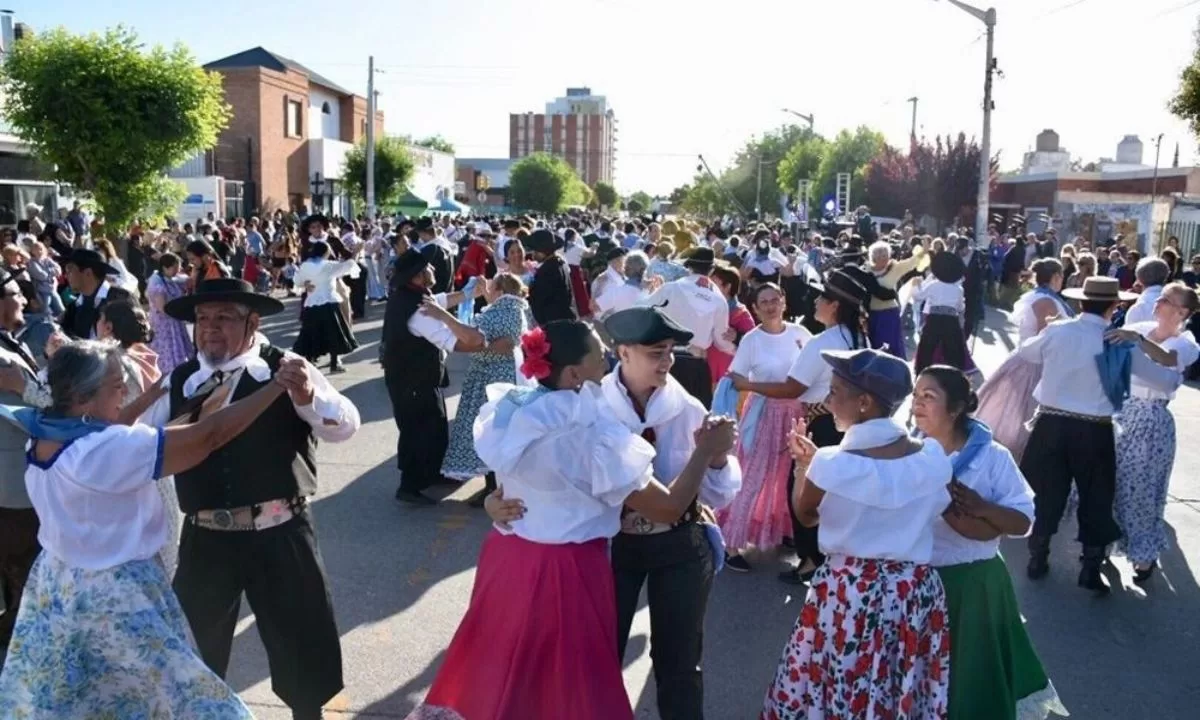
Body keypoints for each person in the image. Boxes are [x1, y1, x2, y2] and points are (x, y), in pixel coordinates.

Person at [408, 320, 736, 720]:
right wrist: (707, 452)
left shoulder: (514, 407)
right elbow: (666, 507)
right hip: (566, 567)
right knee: (568, 683)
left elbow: (515, 481)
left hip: (510, 557)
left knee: (510, 672)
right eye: (601, 354)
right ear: (575, 372)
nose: (609, 358)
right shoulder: (588, 431)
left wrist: (499, 504)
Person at [0, 339, 295, 717]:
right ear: (81, 395)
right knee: (180, 696)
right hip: (116, 591)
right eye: (116, 384)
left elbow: (103, 428)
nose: (124, 389)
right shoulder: (104, 451)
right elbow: (209, 436)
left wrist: (153, 393)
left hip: (60, 585)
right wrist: (275, 387)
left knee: (79, 694)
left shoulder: (43, 434)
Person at [136, 278, 361, 720]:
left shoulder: (287, 368)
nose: (210, 328)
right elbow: (140, 445)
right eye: (203, 319)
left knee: (301, 644)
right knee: (192, 646)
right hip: (207, 538)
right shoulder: (180, 380)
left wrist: (309, 398)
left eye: (224, 317)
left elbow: (346, 425)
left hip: (281, 532)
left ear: (252, 322)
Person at [761, 348, 951, 719]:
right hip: (912, 593)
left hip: (849, 594)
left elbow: (806, 515)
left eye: (834, 392)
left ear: (864, 402)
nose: (827, 401)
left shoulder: (832, 463)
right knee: (898, 681)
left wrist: (805, 467)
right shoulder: (931, 458)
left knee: (838, 680)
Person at [601, 305, 742, 720]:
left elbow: (718, 494)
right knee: (598, 654)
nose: (666, 361)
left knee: (679, 664)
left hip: (679, 542)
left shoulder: (688, 409)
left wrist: (717, 458)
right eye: (654, 352)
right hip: (611, 546)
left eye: (669, 352)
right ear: (623, 352)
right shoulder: (593, 410)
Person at [913, 366, 1067, 720]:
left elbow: (1023, 520)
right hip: (920, 585)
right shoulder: (912, 453)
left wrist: (982, 507)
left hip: (975, 587)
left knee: (972, 678)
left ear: (954, 409)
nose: (917, 404)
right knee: (923, 678)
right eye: (915, 395)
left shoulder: (991, 456)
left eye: (929, 396)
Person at [1018, 276, 1183, 595]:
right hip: (1094, 429)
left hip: (1050, 424)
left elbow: (1028, 353)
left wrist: (1053, 331)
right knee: (1096, 496)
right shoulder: (1117, 341)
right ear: (1115, 306)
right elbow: (1165, 381)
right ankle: (1090, 569)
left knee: (1045, 491)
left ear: (1081, 303)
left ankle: (1038, 557)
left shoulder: (1058, 331)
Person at [734, 269, 869, 585]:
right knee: (834, 492)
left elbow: (792, 389)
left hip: (820, 422)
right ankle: (827, 553)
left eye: (821, 298)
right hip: (848, 422)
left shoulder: (820, 341)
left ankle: (811, 560)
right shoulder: (858, 336)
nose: (815, 302)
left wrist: (750, 385)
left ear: (833, 305)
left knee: (805, 492)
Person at [1110, 282, 1200, 583]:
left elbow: (1166, 359)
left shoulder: (1186, 343)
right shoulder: (1144, 326)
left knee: (1143, 490)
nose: (1158, 302)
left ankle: (1144, 555)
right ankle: (1106, 543)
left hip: (1152, 419)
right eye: (1160, 298)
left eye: (1166, 300)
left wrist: (1135, 340)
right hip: (1125, 411)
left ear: (1182, 311)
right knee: (1112, 483)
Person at [382, 250, 487, 506]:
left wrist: (467, 293)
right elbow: (452, 342)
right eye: (426, 268)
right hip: (412, 380)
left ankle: (432, 475)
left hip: (414, 377)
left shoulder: (412, 295)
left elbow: (440, 301)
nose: (432, 270)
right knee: (418, 431)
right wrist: (486, 345)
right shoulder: (418, 310)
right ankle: (409, 486)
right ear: (417, 277)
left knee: (434, 427)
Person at [722, 284, 811, 570]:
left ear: (784, 302)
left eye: (775, 299)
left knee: (787, 476)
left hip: (797, 414)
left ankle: (781, 529)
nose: (771, 306)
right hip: (764, 414)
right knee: (754, 474)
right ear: (756, 308)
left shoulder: (801, 334)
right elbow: (736, 376)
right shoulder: (752, 340)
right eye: (764, 302)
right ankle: (731, 543)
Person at [440, 273, 531, 504]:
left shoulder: (499, 311)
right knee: (502, 426)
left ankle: (493, 488)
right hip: (507, 372)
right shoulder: (517, 309)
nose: (487, 291)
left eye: (491, 287)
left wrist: (443, 317)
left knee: (488, 428)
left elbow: (471, 337)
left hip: (489, 376)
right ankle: (496, 485)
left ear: (500, 291)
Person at [974, 259, 1072, 462]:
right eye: (1061, 276)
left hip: (1028, 359)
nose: (1062, 280)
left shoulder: (1038, 296)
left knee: (1017, 412)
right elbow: (1045, 336)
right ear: (1055, 277)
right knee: (1024, 414)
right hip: (1035, 364)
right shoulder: (1046, 301)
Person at [0, 271, 44, 669]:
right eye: (15, 293)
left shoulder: (12, 344)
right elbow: (37, 416)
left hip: (15, 488)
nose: (24, 299)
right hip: (13, 492)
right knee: (26, 581)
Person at [636, 246, 735, 408]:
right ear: (711, 270)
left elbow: (640, 308)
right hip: (696, 364)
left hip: (667, 359)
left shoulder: (671, 288)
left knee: (662, 413)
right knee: (695, 419)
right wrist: (735, 347)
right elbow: (721, 341)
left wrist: (648, 290)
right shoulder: (719, 299)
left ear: (688, 267)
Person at [293, 240, 360, 374]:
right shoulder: (328, 265)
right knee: (334, 334)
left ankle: (310, 362)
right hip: (329, 303)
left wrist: (305, 284)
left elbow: (297, 281)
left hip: (312, 304)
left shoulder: (305, 265)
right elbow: (349, 265)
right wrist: (357, 252)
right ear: (325, 252)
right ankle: (334, 364)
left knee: (311, 333)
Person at [60, 249, 133, 340]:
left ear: (88, 273)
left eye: (69, 270)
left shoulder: (122, 299)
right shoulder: (73, 309)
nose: (66, 276)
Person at [146, 253, 194, 376]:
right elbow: (162, 308)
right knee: (168, 351)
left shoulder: (171, 279)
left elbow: (187, 280)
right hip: (164, 324)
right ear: (165, 267)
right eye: (174, 268)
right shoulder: (157, 283)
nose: (177, 271)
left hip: (174, 321)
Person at [526, 228, 577, 325]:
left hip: (555, 324)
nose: (533, 254)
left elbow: (538, 300)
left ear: (543, 251)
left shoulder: (548, 270)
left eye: (535, 250)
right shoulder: (559, 263)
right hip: (564, 319)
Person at [415, 217, 455, 294]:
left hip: (434, 294)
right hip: (448, 293)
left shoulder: (430, 249)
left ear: (422, 233)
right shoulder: (446, 244)